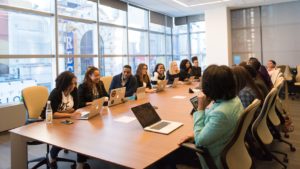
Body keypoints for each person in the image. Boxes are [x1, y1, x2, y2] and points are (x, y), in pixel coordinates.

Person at [180, 65, 244, 169]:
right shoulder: (234, 100)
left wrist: (200, 109)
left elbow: (200, 141)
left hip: (213, 158)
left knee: (170, 157)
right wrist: (194, 135)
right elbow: (215, 125)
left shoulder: (221, 113)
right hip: (231, 151)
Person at [42, 71, 90, 169]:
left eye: (75, 83)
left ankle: (80, 164)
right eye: (72, 83)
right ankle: (51, 156)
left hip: (65, 120)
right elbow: (50, 113)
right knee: (64, 137)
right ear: (66, 83)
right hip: (51, 122)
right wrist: (68, 114)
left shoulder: (74, 91)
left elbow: (75, 107)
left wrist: (66, 114)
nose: (74, 85)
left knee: (83, 136)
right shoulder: (56, 93)